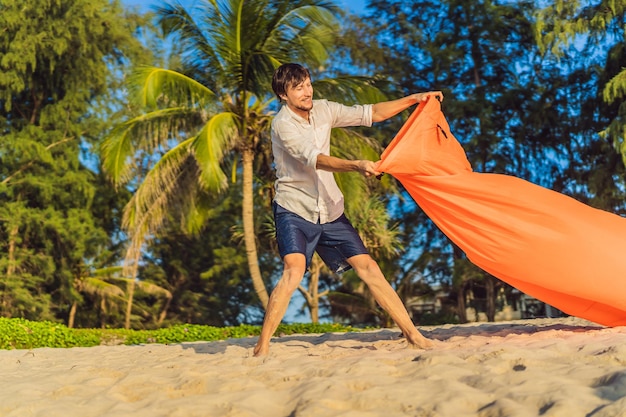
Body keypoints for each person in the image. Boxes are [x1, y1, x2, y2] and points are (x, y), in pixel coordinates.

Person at [253, 63, 440, 356]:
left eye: (308, 84)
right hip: (294, 209)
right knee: (294, 269)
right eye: (298, 87)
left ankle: (413, 335)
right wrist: (357, 165)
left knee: (369, 267)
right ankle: (262, 347)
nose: (307, 91)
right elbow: (315, 159)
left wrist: (414, 99)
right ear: (283, 95)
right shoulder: (282, 125)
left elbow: (371, 113)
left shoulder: (324, 109)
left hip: (330, 209)